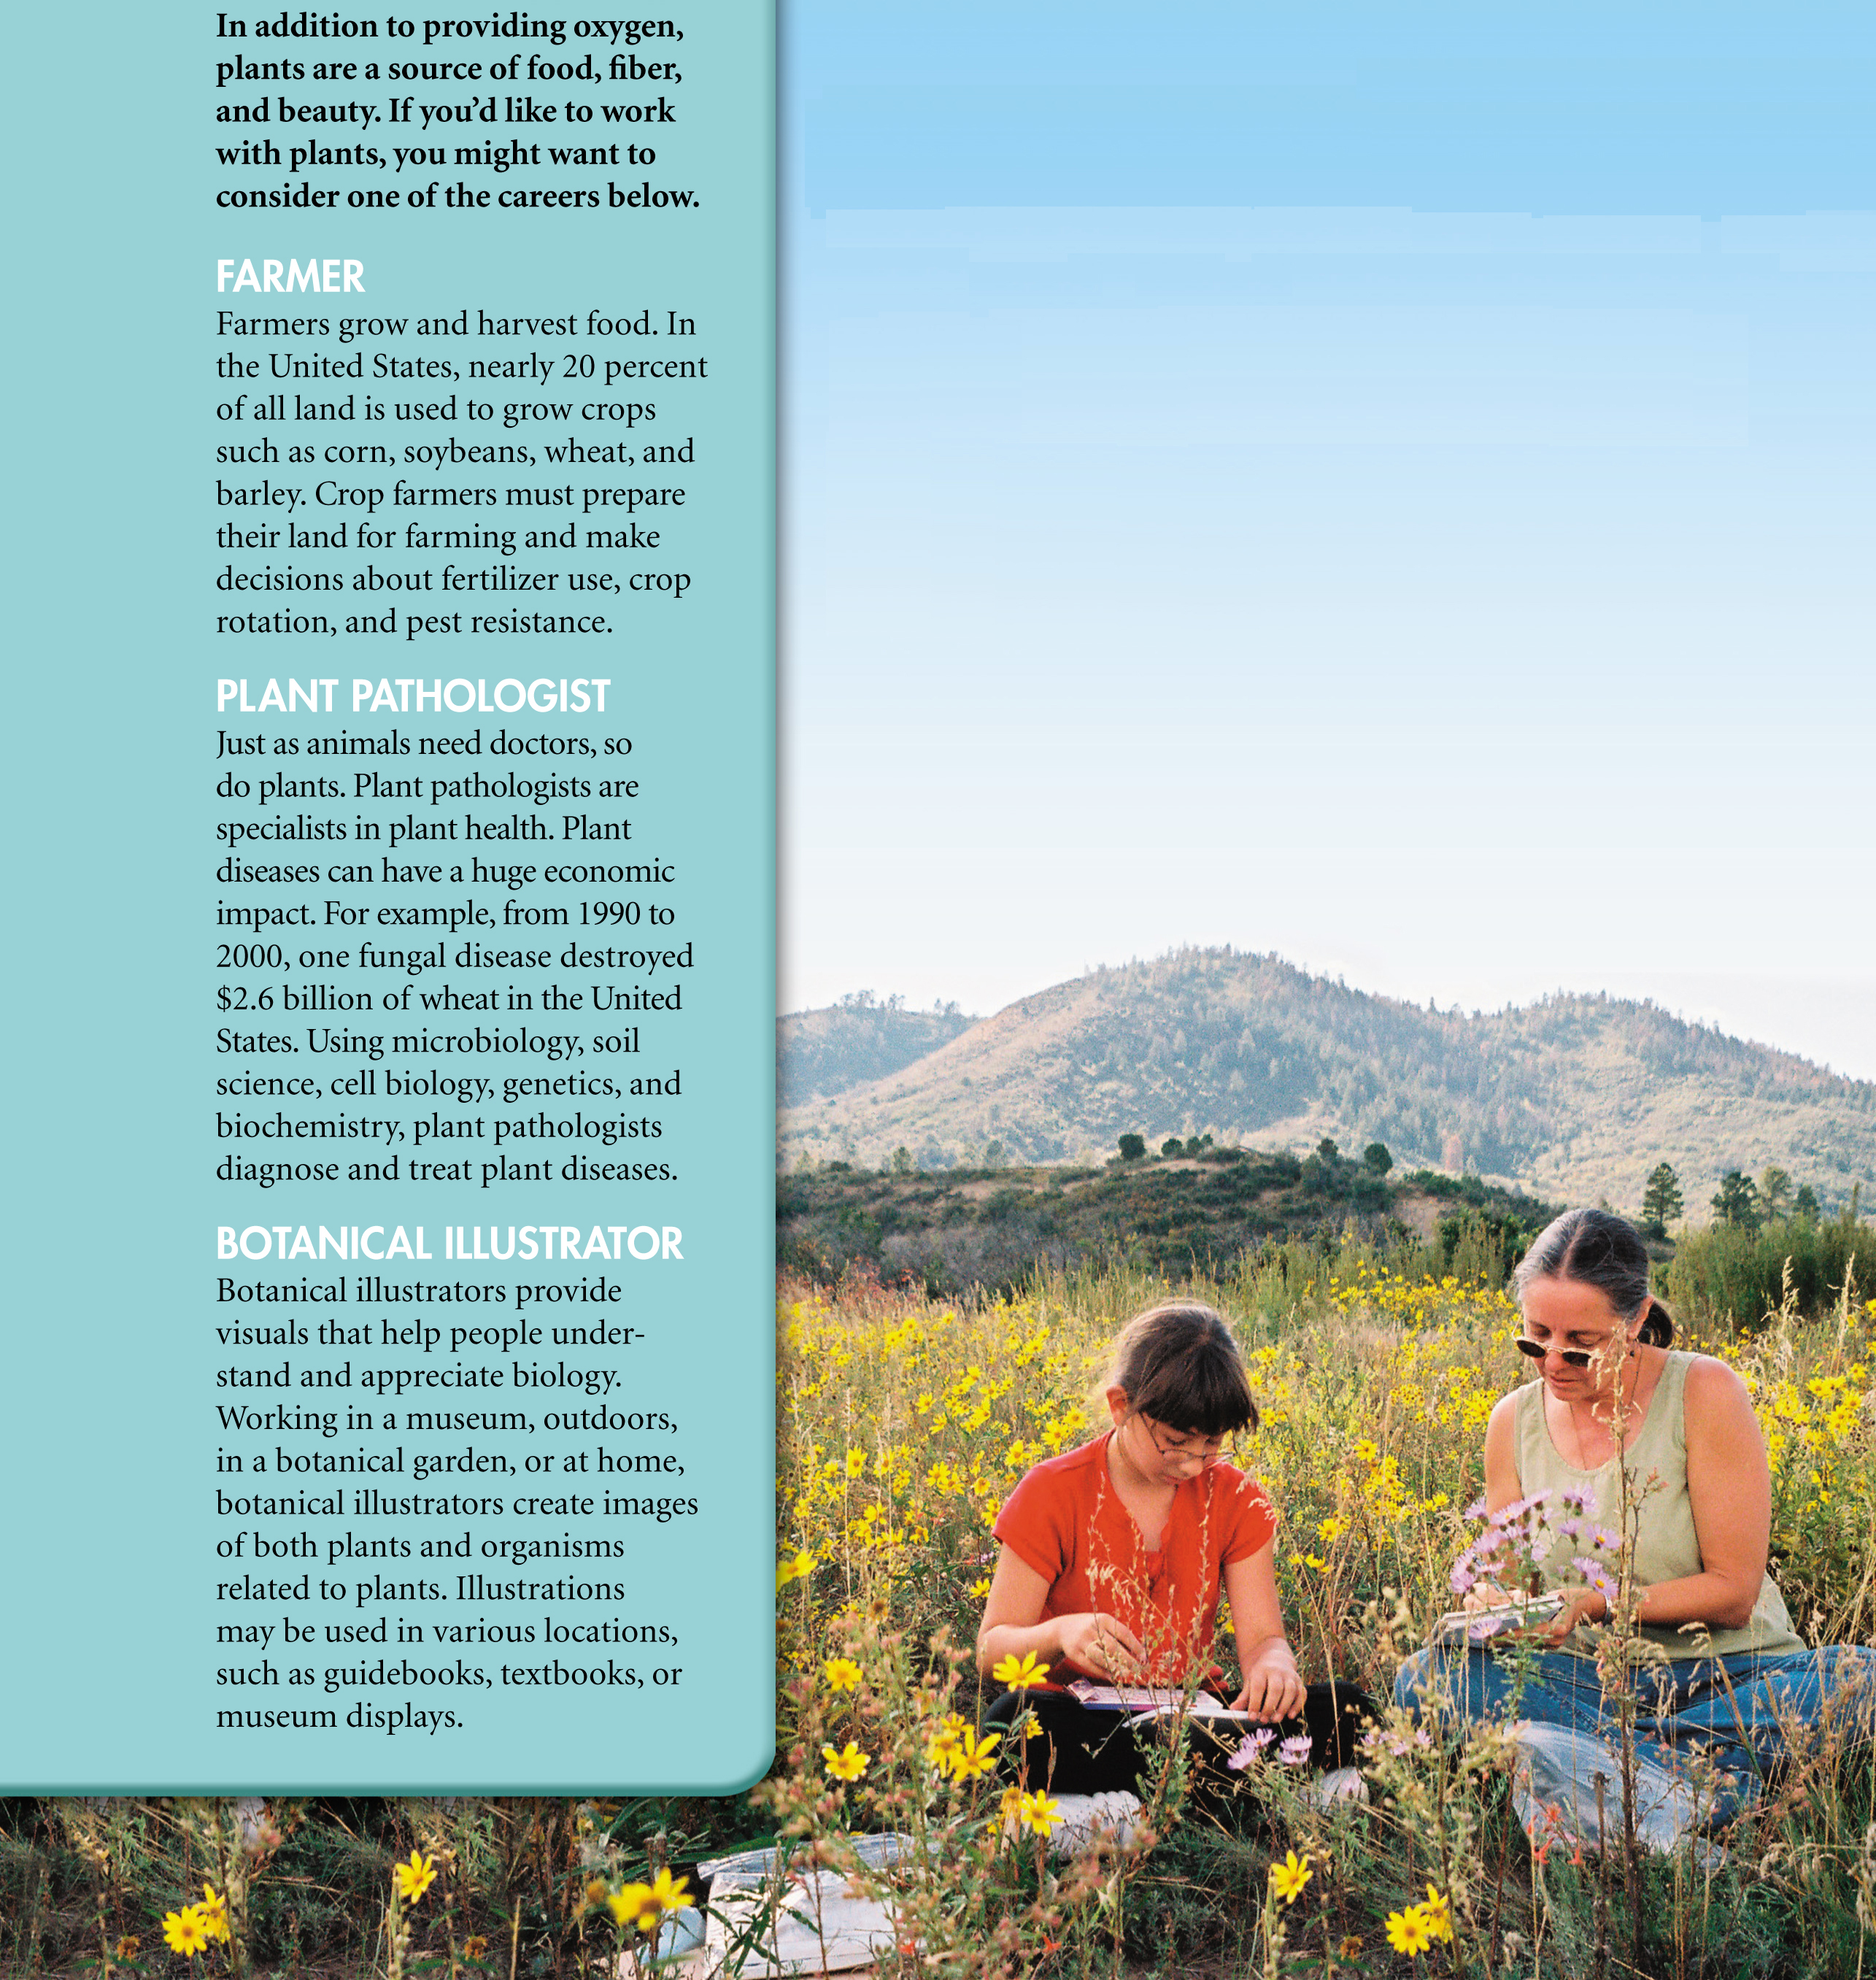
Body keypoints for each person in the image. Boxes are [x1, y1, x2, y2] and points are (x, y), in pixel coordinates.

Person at [1394, 1206, 1876, 1826]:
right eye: (1534, 1338)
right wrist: (1501, 1605)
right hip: (1586, 1683)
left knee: (1861, 1679)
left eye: (1580, 1347)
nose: (1552, 1363)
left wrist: (1596, 1603)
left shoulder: (1704, 1391)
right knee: (1427, 1680)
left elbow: (1733, 1594)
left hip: (1731, 1676)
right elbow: (1516, 1582)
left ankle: (1605, 1775)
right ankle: (1706, 1783)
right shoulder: (1511, 1422)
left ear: (1638, 1319)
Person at [978, 1299, 1372, 1801]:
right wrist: (1060, 1633)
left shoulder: (1236, 1497)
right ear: (1121, 1405)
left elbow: (1261, 1639)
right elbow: (991, 1651)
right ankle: (1237, 1795)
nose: (1192, 1464)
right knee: (1010, 1723)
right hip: (1089, 1719)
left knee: (1350, 1708)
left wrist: (1275, 1666)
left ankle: (1130, 1805)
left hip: (1198, 1715)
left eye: (1211, 1445)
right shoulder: (1051, 1490)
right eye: (1175, 1442)